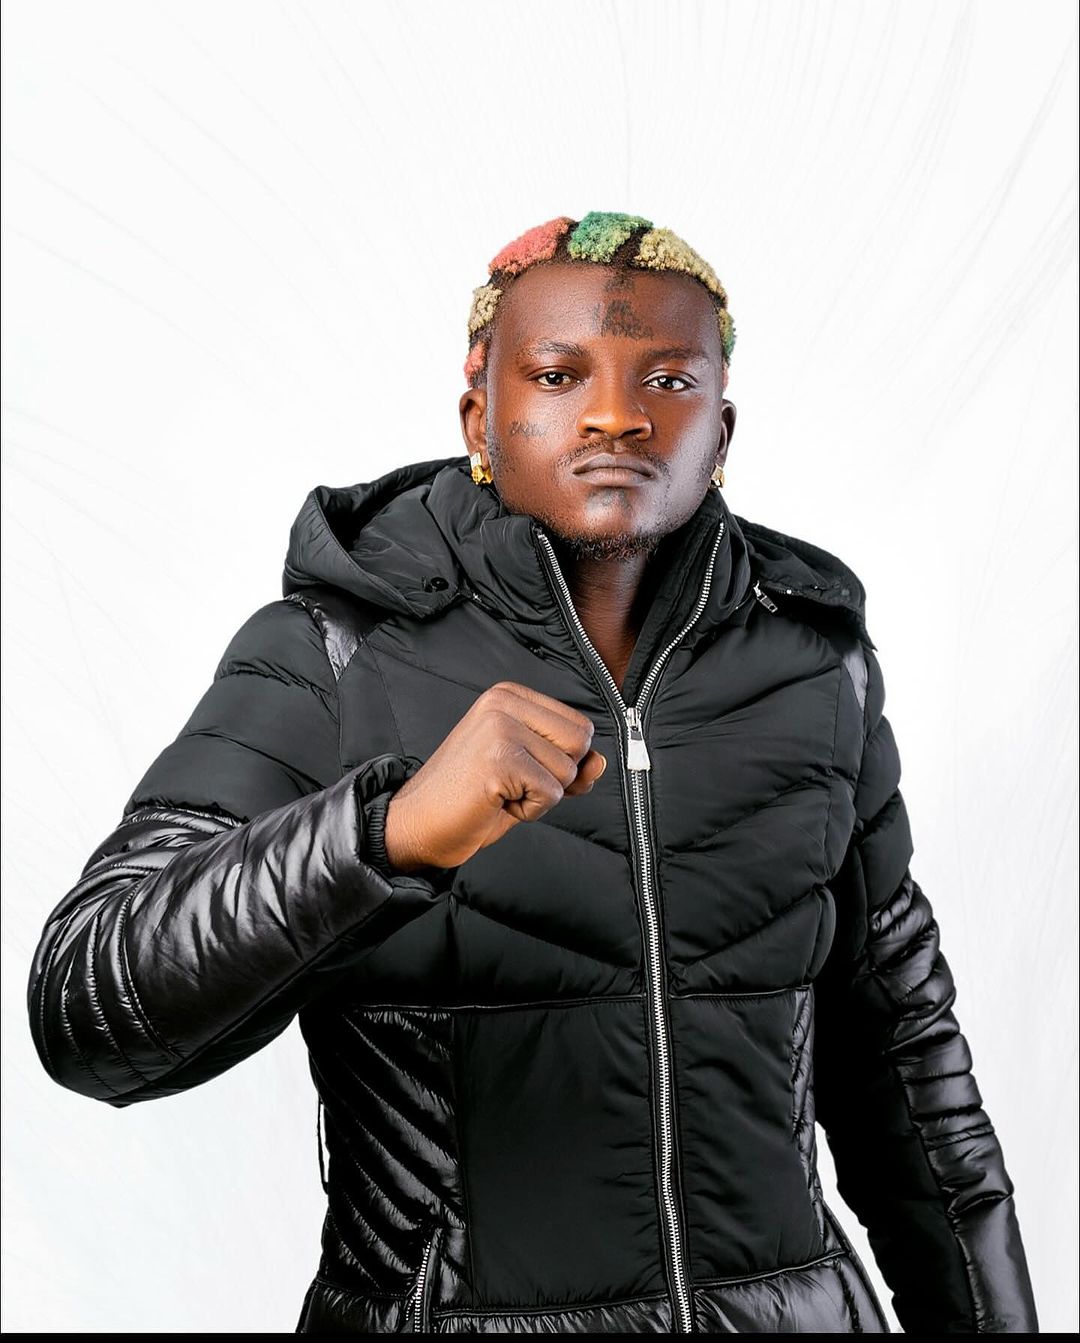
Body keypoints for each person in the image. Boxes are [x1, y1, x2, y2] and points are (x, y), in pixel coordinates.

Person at [26, 211, 1038, 1335]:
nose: (615, 414)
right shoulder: (332, 655)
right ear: (481, 415)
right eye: (558, 375)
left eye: (668, 379)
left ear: (721, 429)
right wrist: (387, 834)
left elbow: (907, 1067)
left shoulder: (814, 663)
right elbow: (87, 1007)